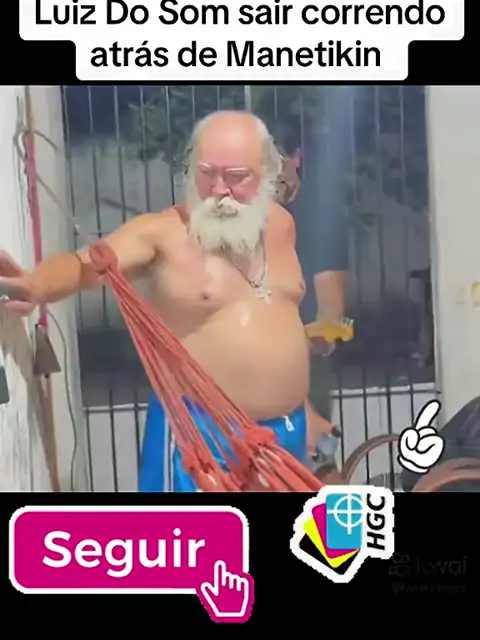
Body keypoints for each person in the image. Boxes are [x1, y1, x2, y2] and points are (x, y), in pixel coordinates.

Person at [0, 110, 336, 492]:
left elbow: (280, 320)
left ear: (267, 173)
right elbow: (84, 266)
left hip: (286, 434)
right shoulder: (162, 234)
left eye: (235, 176)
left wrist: (304, 408)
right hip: (199, 435)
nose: (218, 189)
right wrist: (36, 284)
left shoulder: (281, 225)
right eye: (206, 173)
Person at [273, 113, 350, 466]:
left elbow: (330, 317)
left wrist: (309, 341)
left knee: (313, 471)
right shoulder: (247, 219)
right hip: (249, 376)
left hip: (302, 371)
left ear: (296, 157)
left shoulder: (319, 217)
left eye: (276, 159)